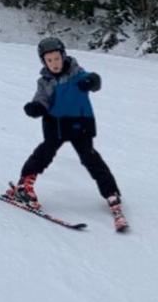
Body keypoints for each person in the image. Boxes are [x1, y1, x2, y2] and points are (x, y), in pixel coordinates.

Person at [8, 36, 123, 216]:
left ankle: (111, 192)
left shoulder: (76, 74)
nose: (54, 63)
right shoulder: (45, 81)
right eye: (49, 60)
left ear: (63, 56)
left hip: (80, 125)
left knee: (90, 158)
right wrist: (37, 108)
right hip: (56, 125)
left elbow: (94, 81)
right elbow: (42, 99)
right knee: (44, 153)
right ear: (44, 61)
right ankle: (25, 184)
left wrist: (92, 81)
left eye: (57, 58)